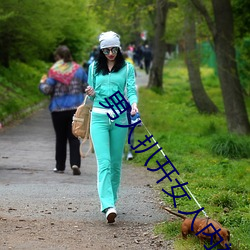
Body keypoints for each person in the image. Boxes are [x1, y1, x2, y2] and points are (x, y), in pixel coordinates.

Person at [85, 31, 138, 223]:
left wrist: (133, 104)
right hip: (98, 118)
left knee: (116, 164)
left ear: (119, 48)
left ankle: (112, 201)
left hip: (120, 119)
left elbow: (131, 90)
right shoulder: (93, 68)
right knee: (104, 162)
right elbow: (91, 97)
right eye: (106, 50)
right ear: (101, 50)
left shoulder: (127, 68)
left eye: (114, 49)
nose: (110, 53)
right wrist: (90, 92)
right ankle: (107, 205)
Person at [39, 45, 88, 175]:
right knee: (74, 137)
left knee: (60, 138)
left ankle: (60, 166)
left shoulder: (54, 71)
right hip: (75, 109)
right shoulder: (79, 70)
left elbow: (47, 90)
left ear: (58, 57)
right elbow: (86, 87)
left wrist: (42, 83)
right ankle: (75, 163)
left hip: (58, 109)